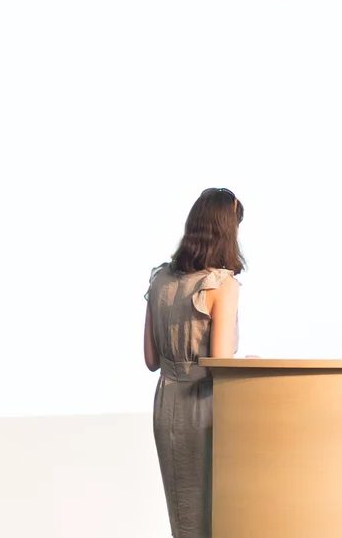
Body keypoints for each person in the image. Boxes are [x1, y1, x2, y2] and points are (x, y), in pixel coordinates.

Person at [143, 187, 244, 538]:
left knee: (183, 517)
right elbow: (219, 364)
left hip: (166, 403)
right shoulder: (222, 285)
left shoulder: (160, 279)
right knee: (213, 518)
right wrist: (249, 362)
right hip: (205, 407)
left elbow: (151, 359)